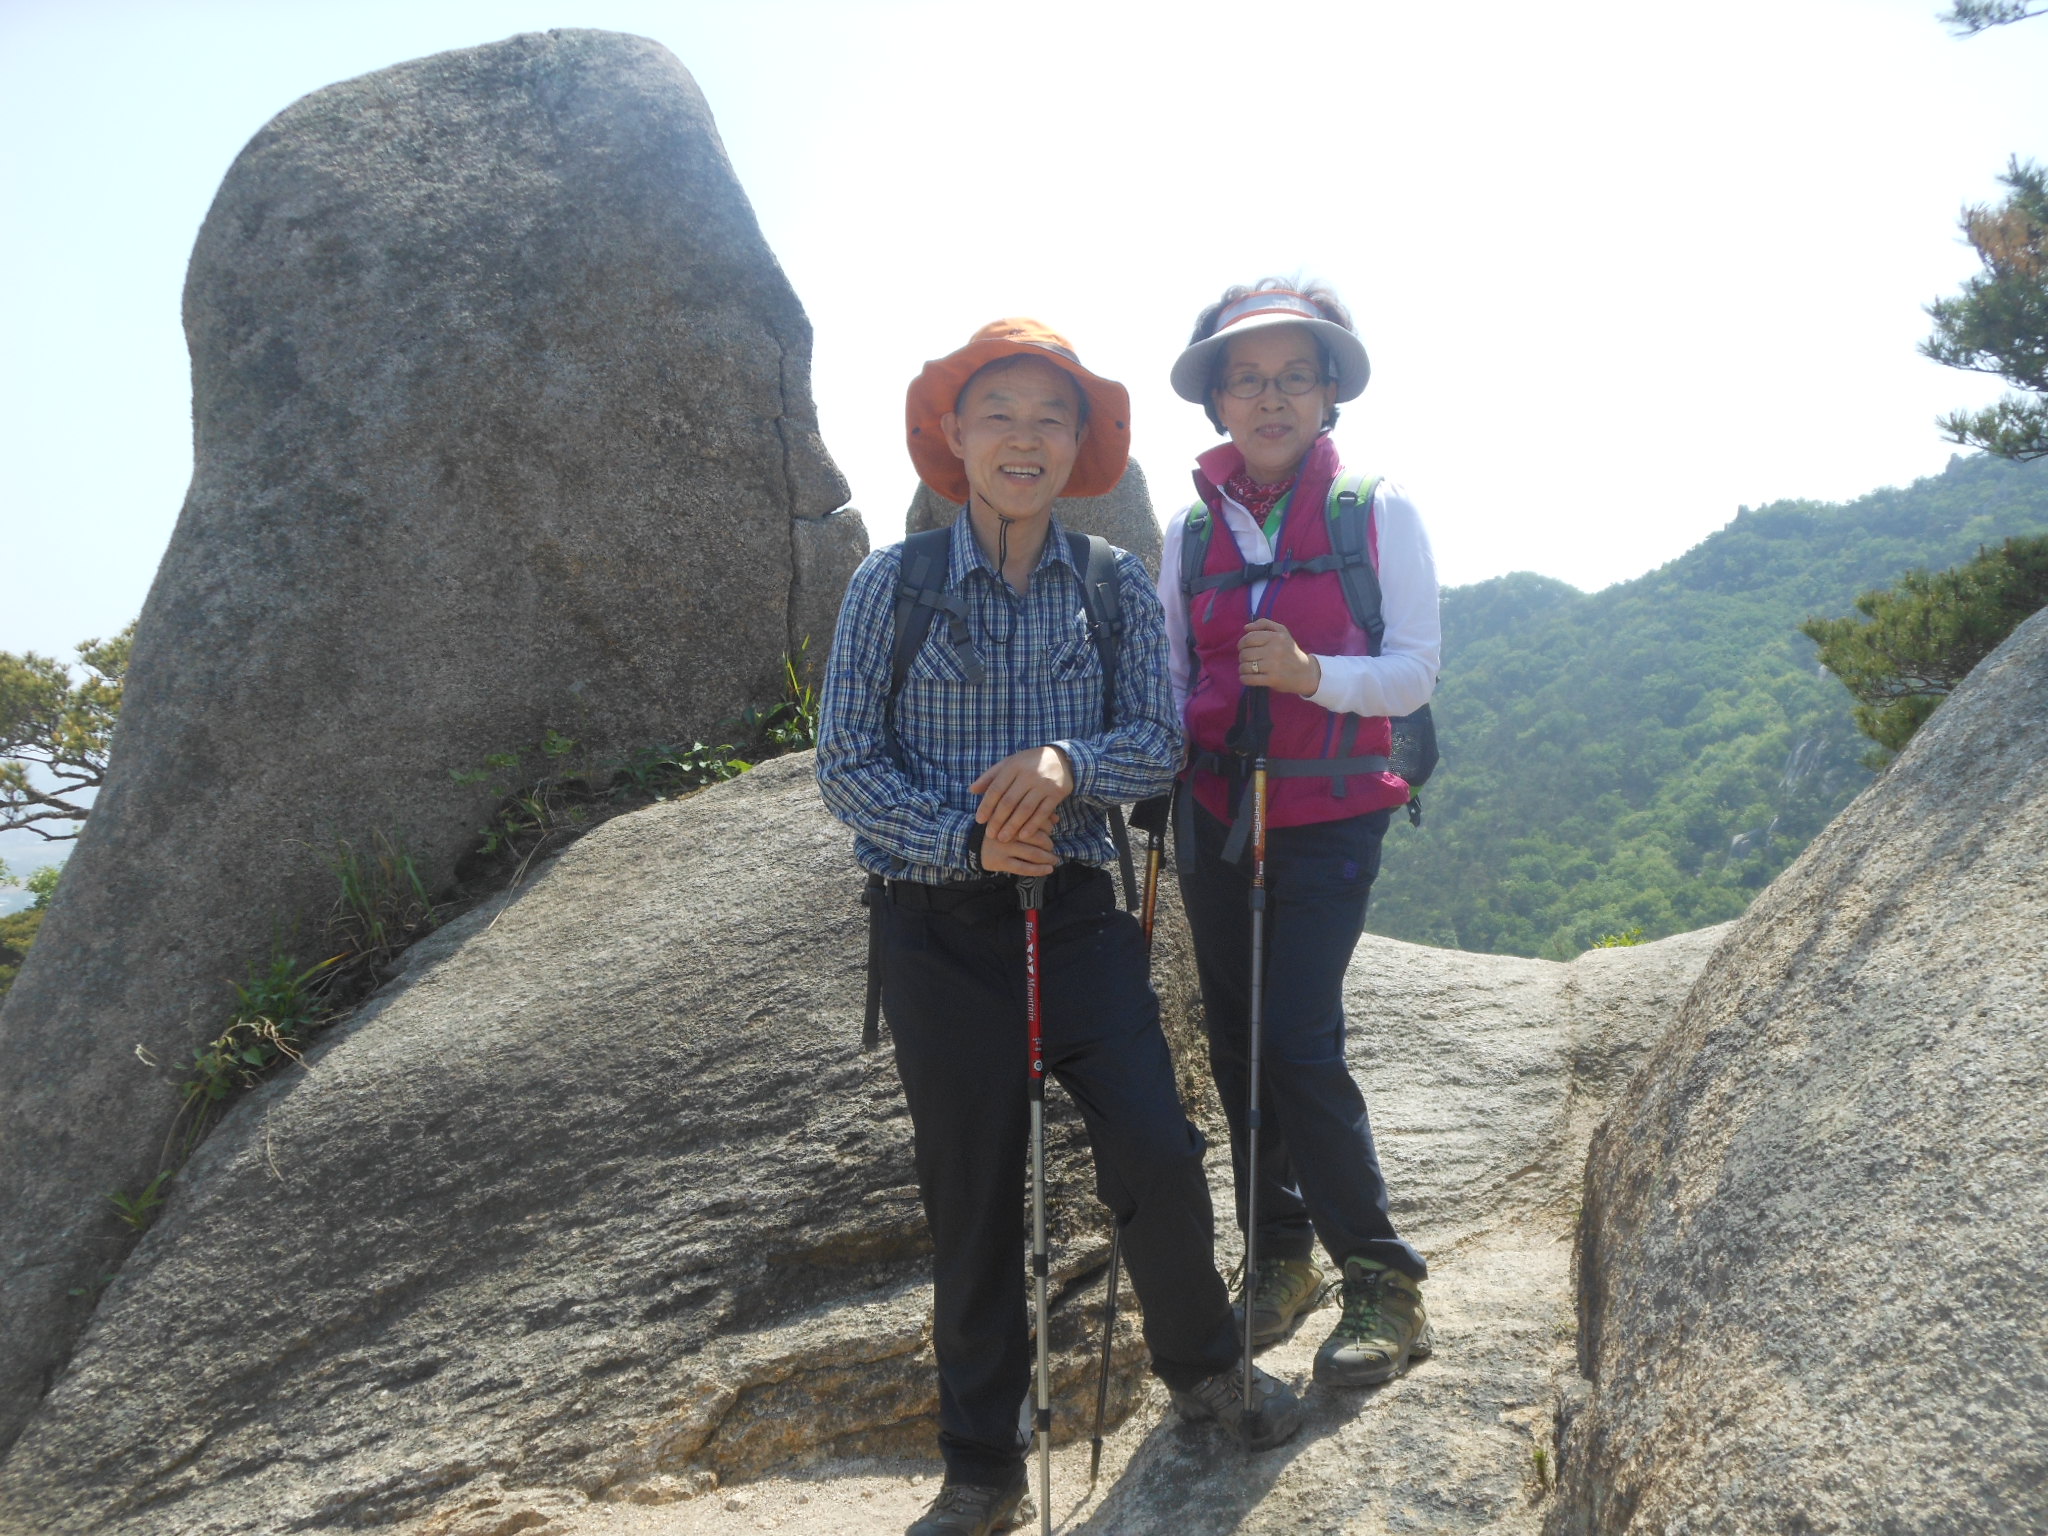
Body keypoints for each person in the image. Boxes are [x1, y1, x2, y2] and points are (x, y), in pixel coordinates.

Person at [817, 320, 1303, 1536]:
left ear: (1079, 443)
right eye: (998, 413)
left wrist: (1063, 763)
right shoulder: (891, 585)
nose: (1022, 438)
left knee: (1154, 1145)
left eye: (1050, 416)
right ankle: (980, 1467)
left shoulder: (1109, 583)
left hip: (1077, 920)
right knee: (972, 1193)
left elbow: (1156, 739)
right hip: (936, 931)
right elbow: (845, 764)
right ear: (954, 435)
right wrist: (965, 838)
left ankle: (1202, 1370)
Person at [1157, 280, 1441, 1391]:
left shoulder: (1375, 510)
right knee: (1236, 1040)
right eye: (1246, 379)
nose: (1269, 399)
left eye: (1292, 377)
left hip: (1329, 814)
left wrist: (1312, 674)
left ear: (1328, 393)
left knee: (1296, 1040)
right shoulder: (1191, 530)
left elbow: (1414, 673)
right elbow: (1172, 675)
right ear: (1217, 399)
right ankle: (1278, 1252)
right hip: (1217, 812)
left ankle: (1381, 1277)